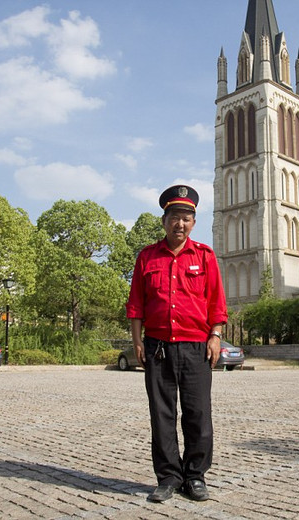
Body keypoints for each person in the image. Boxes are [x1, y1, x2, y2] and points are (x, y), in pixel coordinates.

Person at [126, 184, 228, 503]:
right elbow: (136, 304)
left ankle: (195, 476)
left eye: (186, 218)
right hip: (157, 347)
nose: (179, 224)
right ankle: (169, 477)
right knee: (162, 415)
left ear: (193, 223)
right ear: (164, 221)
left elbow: (217, 303)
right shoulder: (147, 257)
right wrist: (137, 342)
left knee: (198, 414)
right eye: (174, 217)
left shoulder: (205, 256)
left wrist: (215, 336)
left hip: (196, 347)